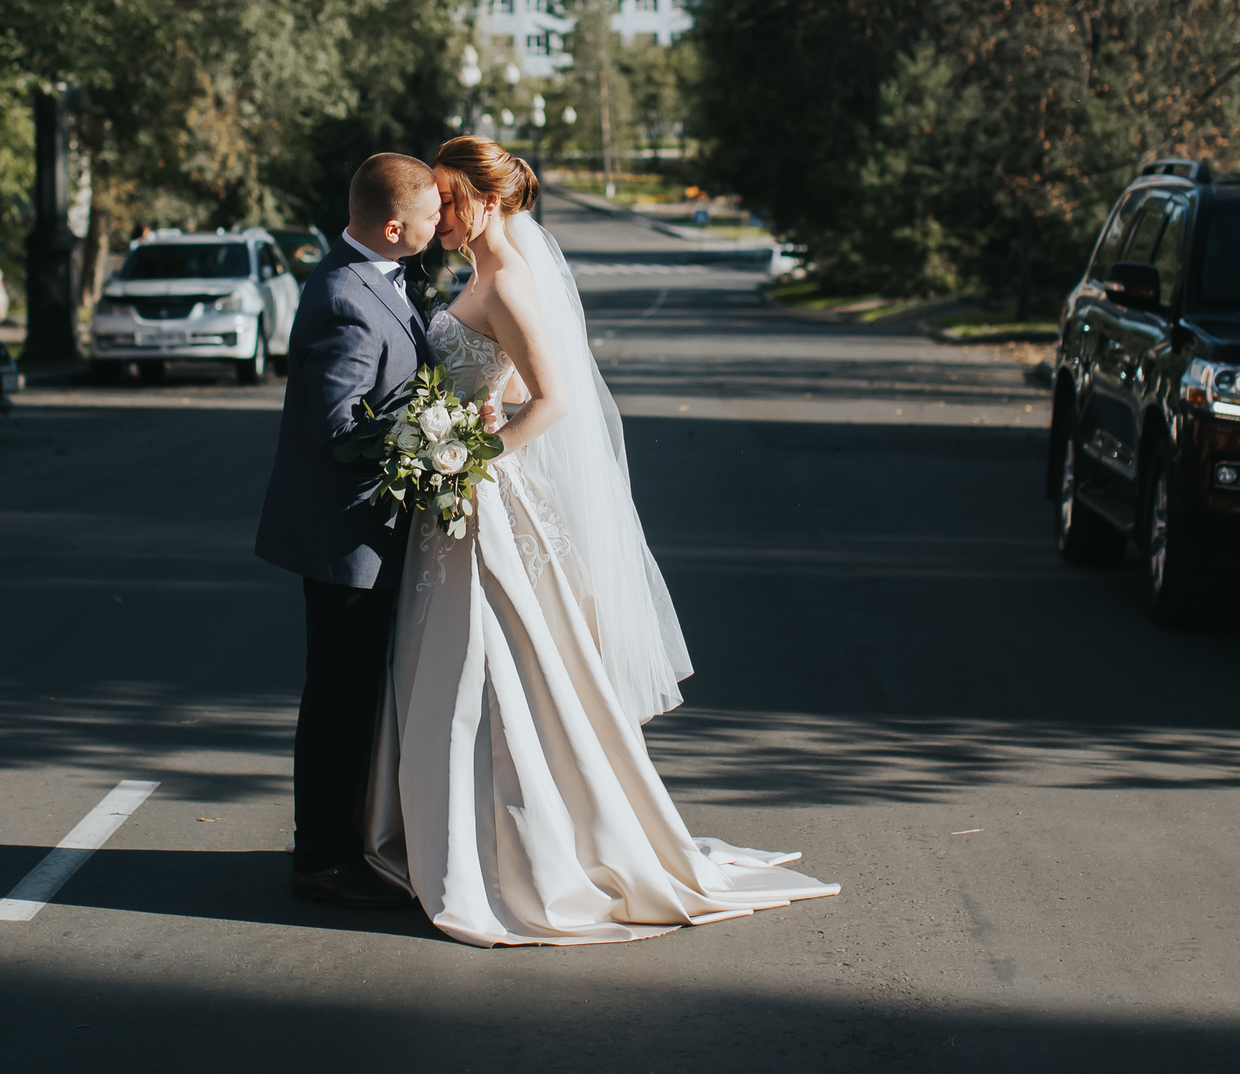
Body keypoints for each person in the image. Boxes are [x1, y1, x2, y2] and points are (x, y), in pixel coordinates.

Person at [363, 136, 837, 946]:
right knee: (461, 673)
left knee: (496, 675)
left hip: (484, 499)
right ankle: (448, 829)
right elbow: (496, 381)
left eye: (447, 198)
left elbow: (551, 401)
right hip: (459, 502)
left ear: (482, 199)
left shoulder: (508, 279)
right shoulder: (477, 276)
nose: (436, 212)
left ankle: (507, 845)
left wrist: (466, 459)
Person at [253, 153, 444, 909]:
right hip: (348, 543)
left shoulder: (381, 276)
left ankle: (345, 840)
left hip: (371, 535)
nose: (442, 224)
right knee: (338, 699)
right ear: (395, 227)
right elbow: (337, 426)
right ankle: (322, 856)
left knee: (358, 694)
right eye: (431, 215)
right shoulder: (344, 295)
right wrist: (434, 440)